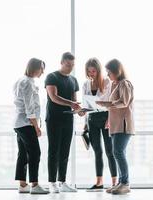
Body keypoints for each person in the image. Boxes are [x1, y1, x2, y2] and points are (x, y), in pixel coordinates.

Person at [96, 59, 134, 195]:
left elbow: (124, 102)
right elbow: (113, 104)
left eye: (109, 72)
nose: (107, 75)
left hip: (123, 125)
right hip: (115, 124)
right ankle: (120, 182)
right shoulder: (115, 84)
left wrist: (107, 104)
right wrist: (108, 115)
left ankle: (125, 183)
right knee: (117, 153)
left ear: (116, 71)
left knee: (118, 152)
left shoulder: (125, 84)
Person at [45, 52, 81, 193]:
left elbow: (75, 102)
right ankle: (52, 183)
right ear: (61, 62)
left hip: (68, 119)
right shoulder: (51, 77)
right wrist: (72, 103)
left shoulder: (73, 80)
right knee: (54, 151)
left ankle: (62, 182)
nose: (70, 68)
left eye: (72, 65)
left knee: (65, 151)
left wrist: (79, 109)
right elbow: (54, 97)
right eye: (67, 65)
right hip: (54, 119)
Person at [13, 58, 49, 194]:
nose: (42, 72)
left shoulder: (21, 80)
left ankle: (23, 185)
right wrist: (37, 127)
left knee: (23, 153)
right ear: (34, 68)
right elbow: (29, 109)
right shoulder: (27, 83)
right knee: (35, 153)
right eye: (41, 68)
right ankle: (34, 185)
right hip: (26, 124)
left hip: (18, 123)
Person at [82, 58, 117, 192]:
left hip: (105, 118)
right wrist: (85, 123)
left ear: (98, 70)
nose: (91, 74)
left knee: (110, 151)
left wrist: (109, 119)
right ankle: (99, 182)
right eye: (89, 71)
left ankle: (114, 182)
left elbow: (110, 102)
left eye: (94, 71)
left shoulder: (107, 82)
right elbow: (86, 105)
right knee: (97, 151)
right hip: (92, 119)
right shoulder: (85, 84)